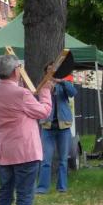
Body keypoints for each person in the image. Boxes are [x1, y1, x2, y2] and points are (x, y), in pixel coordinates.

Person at [0, 54, 53, 205]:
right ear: (16, 71)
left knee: (5, 196)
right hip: (25, 150)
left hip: (4, 149)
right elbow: (43, 112)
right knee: (24, 196)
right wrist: (46, 92)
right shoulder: (22, 94)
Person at [36, 63, 76, 194]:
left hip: (63, 126)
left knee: (63, 159)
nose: (51, 72)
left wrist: (61, 82)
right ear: (45, 73)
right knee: (46, 159)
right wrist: (47, 88)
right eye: (49, 70)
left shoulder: (63, 83)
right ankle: (42, 188)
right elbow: (37, 98)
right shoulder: (43, 85)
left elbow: (73, 93)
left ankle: (62, 187)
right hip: (47, 127)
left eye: (53, 70)